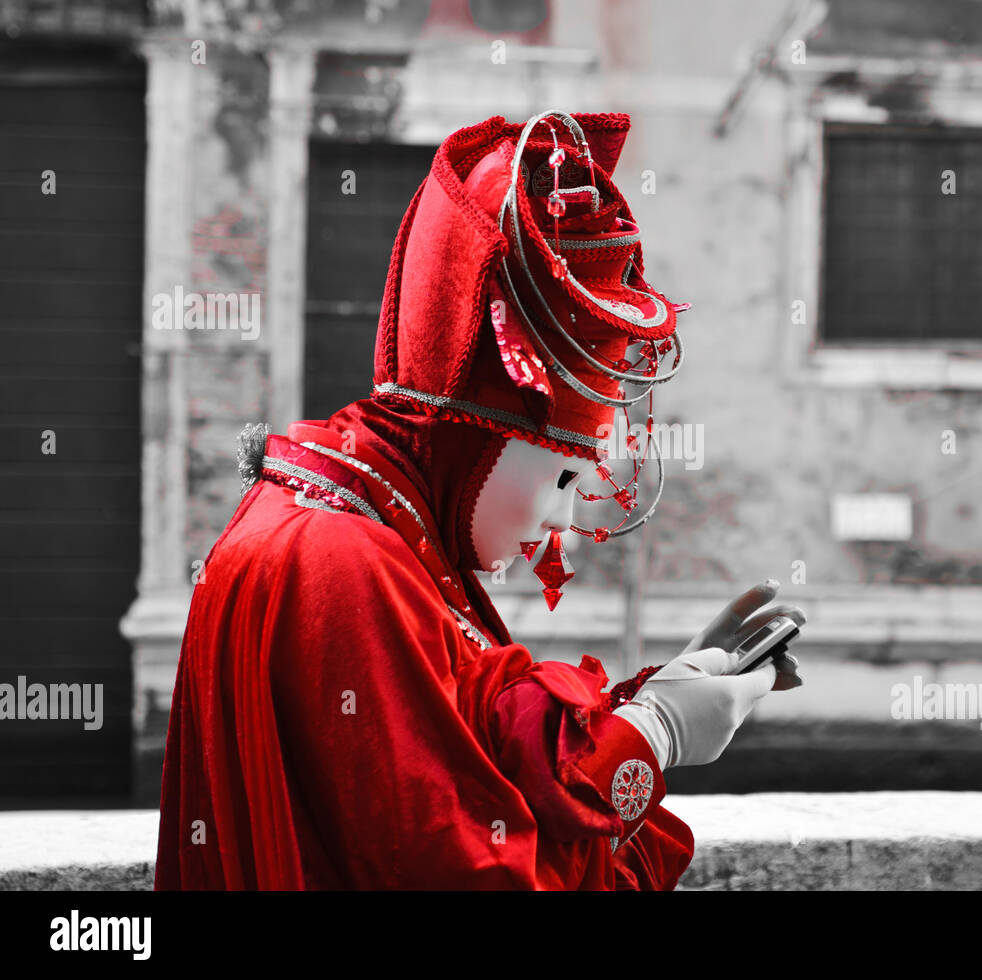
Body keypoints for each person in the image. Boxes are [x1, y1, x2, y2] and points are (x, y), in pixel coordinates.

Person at [154, 111, 804, 890]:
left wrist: (640, 706)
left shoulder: (376, 521)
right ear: (480, 440)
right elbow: (462, 866)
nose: (564, 520)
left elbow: (468, 734)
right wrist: (651, 741)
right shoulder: (343, 558)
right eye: (563, 477)